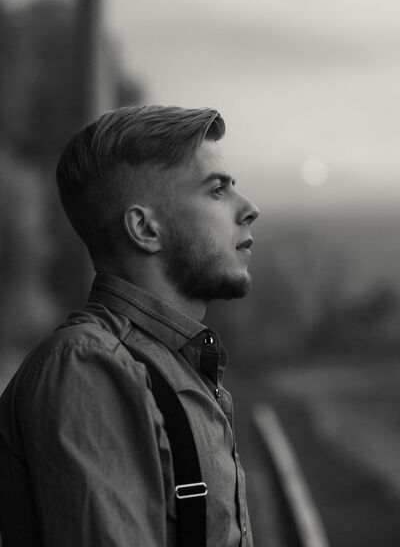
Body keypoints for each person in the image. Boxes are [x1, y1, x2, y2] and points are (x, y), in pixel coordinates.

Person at [0, 105, 259, 547]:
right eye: (217, 190)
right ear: (145, 228)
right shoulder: (89, 368)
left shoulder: (173, 364)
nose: (249, 209)